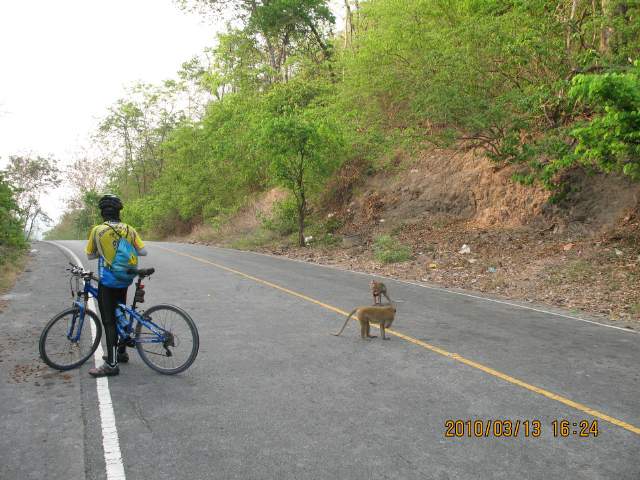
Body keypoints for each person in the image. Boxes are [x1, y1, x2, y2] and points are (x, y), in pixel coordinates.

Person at [85, 194, 147, 377]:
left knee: (109, 320)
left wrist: (105, 253)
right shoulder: (129, 229)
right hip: (125, 278)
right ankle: (121, 352)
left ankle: (111, 364)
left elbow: (89, 255)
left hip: (108, 279)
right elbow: (143, 251)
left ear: (102, 212)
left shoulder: (97, 230)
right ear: (118, 211)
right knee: (121, 311)